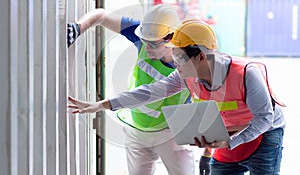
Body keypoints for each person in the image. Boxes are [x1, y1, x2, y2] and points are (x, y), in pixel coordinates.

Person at [69, 19, 286, 175]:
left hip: (264, 134)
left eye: (180, 58)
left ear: (201, 56)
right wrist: (103, 104)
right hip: (229, 133)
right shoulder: (185, 75)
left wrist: (232, 142)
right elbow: (150, 92)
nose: (175, 64)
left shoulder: (246, 73)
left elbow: (264, 118)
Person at [67, 4, 200, 175]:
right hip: (137, 128)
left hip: (172, 133)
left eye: (153, 44)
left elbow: (150, 93)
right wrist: (77, 29)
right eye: (144, 41)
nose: (147, 47)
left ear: (171, 38)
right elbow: (101, 16)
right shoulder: (144, 34)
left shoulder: (188, 65)